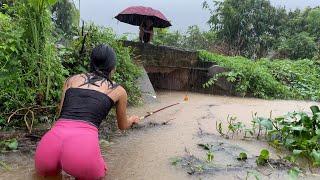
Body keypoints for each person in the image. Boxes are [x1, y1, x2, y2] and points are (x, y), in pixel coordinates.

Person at [34, 44, 140, 179]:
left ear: (91, 62)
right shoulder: (118, 90)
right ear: (113, 68)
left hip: (49, 144)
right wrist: (132, 120)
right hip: (82, 149)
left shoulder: (71, 80)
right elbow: (122, 125)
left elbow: (61, 113)